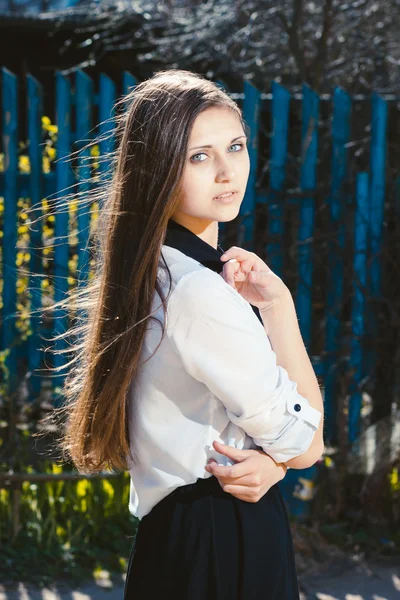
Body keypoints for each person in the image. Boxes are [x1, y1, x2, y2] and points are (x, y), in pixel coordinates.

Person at [56, 69, 324, 599]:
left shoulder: (148, 273)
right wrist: (281, 310)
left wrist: (276, 461)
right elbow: (307, 445)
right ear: (158, 170)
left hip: (175, 540)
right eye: (199, 156)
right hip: (225, 535)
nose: (227, 172)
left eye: (235, 147)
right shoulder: (197, 291)